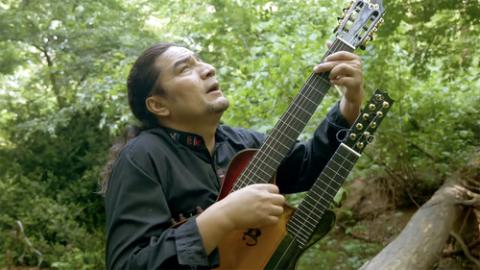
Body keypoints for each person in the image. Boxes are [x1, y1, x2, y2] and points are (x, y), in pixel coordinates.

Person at [102, 42, 363, 269]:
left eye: (201, 60)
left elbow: (307, 165)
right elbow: (130, 263)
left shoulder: (241, 142)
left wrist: (349, 104)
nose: (207, 68)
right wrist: (224, 216)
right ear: (158, 105)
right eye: (184, 68)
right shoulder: (141, 157)